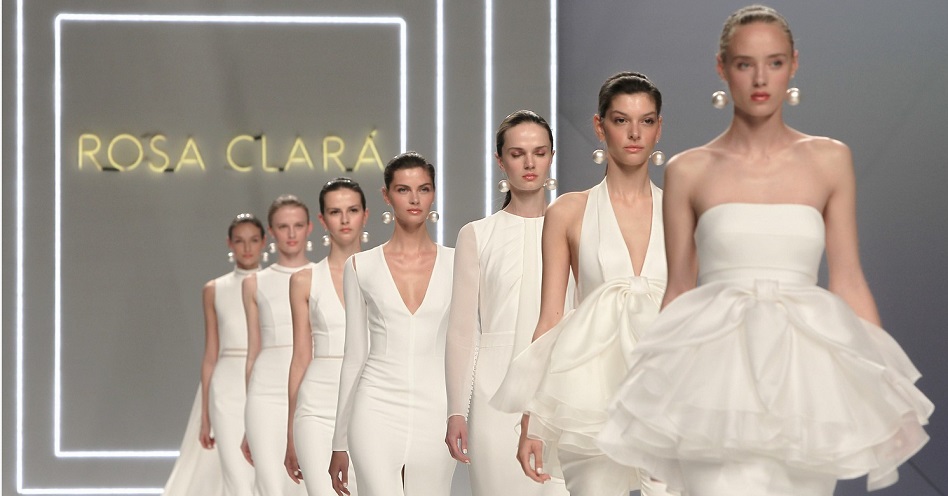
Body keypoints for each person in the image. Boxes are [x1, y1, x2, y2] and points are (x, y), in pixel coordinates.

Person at [597, 6, 933, 496]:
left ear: (793, 65)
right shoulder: (689, 170)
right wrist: (652, 402)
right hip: (716, 383)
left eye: (774, 62)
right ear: (722, 67)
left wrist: (883, 389)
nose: (760, 78)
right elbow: (680, 291)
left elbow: (848, 280)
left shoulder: (830, 160)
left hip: (803, 384)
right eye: (744, 63)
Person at [492, 73, 674, 496]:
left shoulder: (680, 211)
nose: (634, 133)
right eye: (621, 120)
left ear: (659, 128)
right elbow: (550, 319)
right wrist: (533, 418)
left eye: (646, 121)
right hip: (588, 395)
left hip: (664, 388)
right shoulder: (568, 211)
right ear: (599, 126)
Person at [444, 110, 568, 496]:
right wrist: (456, 410)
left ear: (551, 157)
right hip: (494, 395)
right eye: (517, 154)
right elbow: (462, 331)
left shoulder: (576, 228)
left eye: (539, 152)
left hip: (561, 391)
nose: (530, 163)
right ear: (500, 160)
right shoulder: (477, 235)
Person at [329, 152, 456, 496]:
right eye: (403, 190)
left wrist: (462, 412)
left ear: (433, 194)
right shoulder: (361, 266)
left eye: (423, 189)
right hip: (375, 406)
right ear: (386, 196)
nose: (415, 199)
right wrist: (339, 442)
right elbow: (354, 355)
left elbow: (466, 344)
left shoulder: (458, 262)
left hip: (437, 407)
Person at [162, 213, 265, 496]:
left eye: (253, 240)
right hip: (227, 387)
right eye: (240, 241)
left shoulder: (278, 283)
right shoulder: (214, 290)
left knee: (263, 472)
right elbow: (211, 354)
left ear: (264, 241)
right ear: (229, 244)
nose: (247, 248)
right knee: (237, 474)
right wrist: (204, 415)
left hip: (266, 380)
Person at [285, 179, 367, 496]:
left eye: (352, 210)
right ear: (322, 219)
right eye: (335, 212)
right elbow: (300, 358)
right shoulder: (304, 280)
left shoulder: (385, 273)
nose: (344, 219)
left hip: (370, 401)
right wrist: (290, 433)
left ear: (365, 215)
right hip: (316, 408)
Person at [242, 195, 315, 496]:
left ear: (310, 227)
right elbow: (252, 352)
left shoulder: (323, 276)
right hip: (265, 393)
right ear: (271, 231)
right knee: (271, 485)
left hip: (312, 388)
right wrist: (247, 419)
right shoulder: (253, 283)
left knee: (310, 483)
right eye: (283, 227)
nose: (292, 233)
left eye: (298, 225)